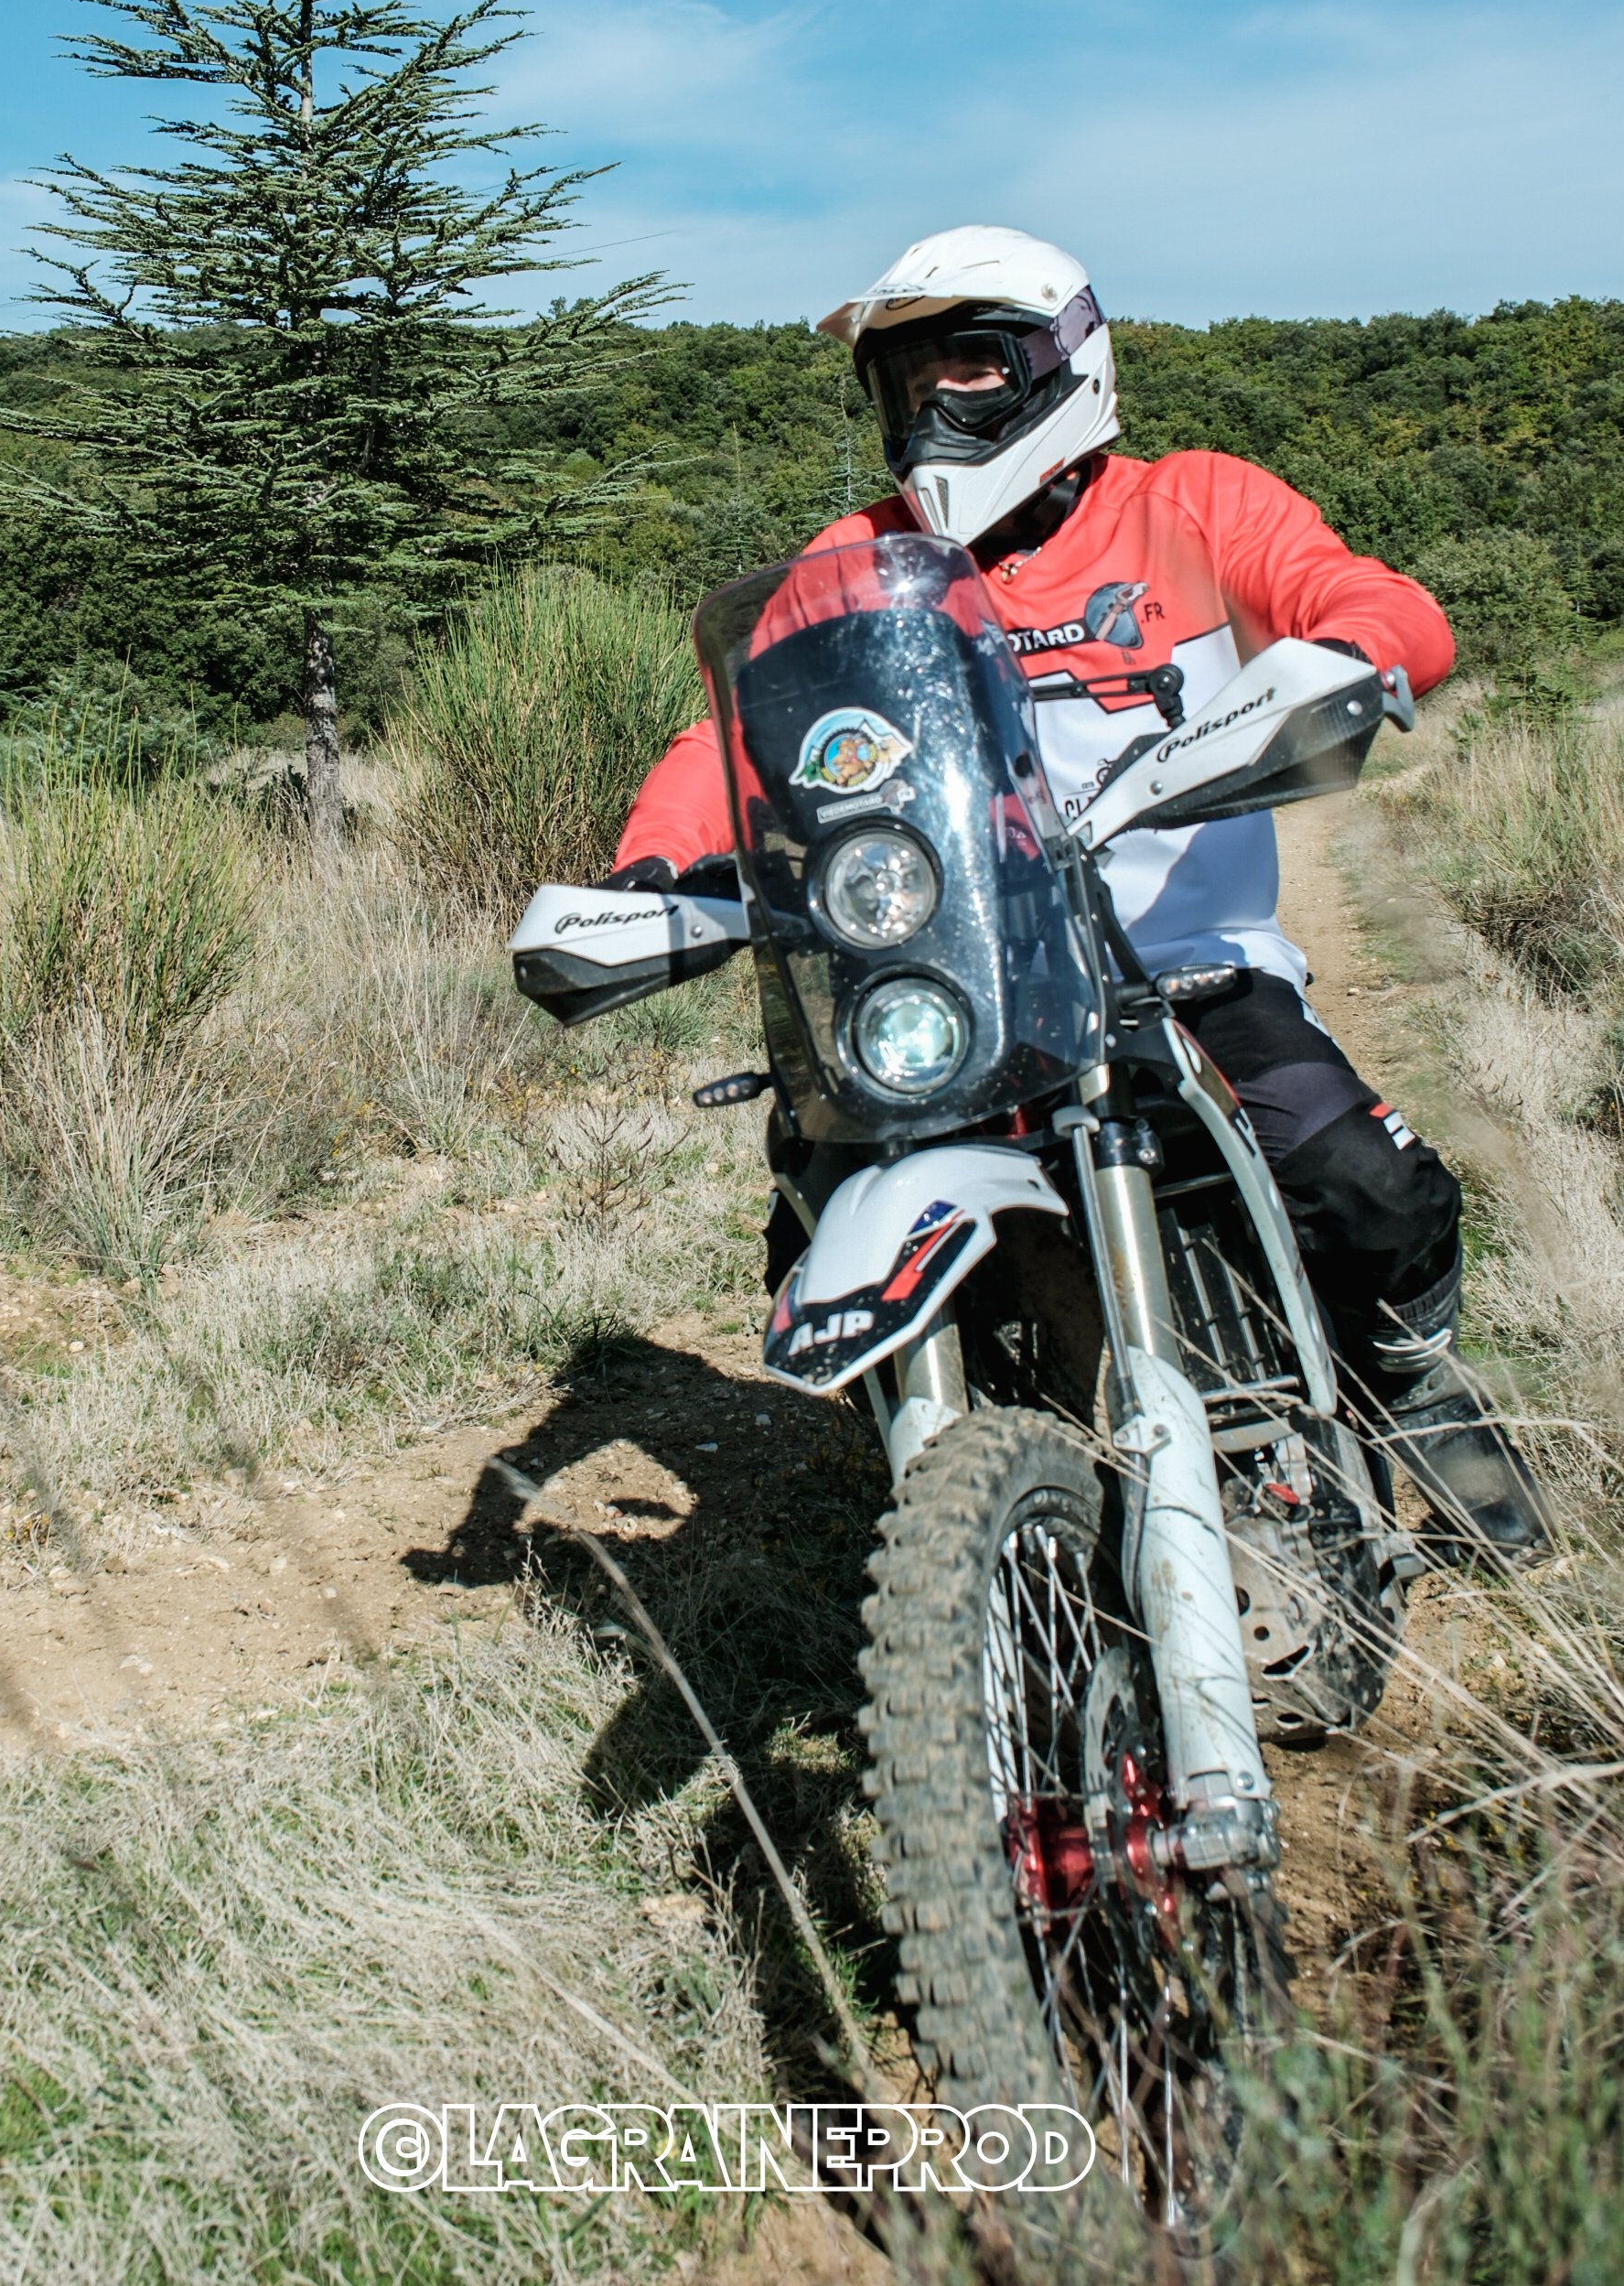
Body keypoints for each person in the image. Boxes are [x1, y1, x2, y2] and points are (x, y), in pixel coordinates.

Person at [608, 225, 1550, 1560]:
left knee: (1362, 1182)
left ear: (1065, 364)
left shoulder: (1196, 507)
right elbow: (732, 734)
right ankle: (960, 1490)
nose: (934, 406)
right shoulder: (862, 561)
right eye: (906, 380)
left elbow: (1360, 595)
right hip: (955, 974)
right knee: (810, 1209)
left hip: (1182, 962)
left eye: (970, 368)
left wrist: (1353, 653)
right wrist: (653, 861)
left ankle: (1413, 1384)